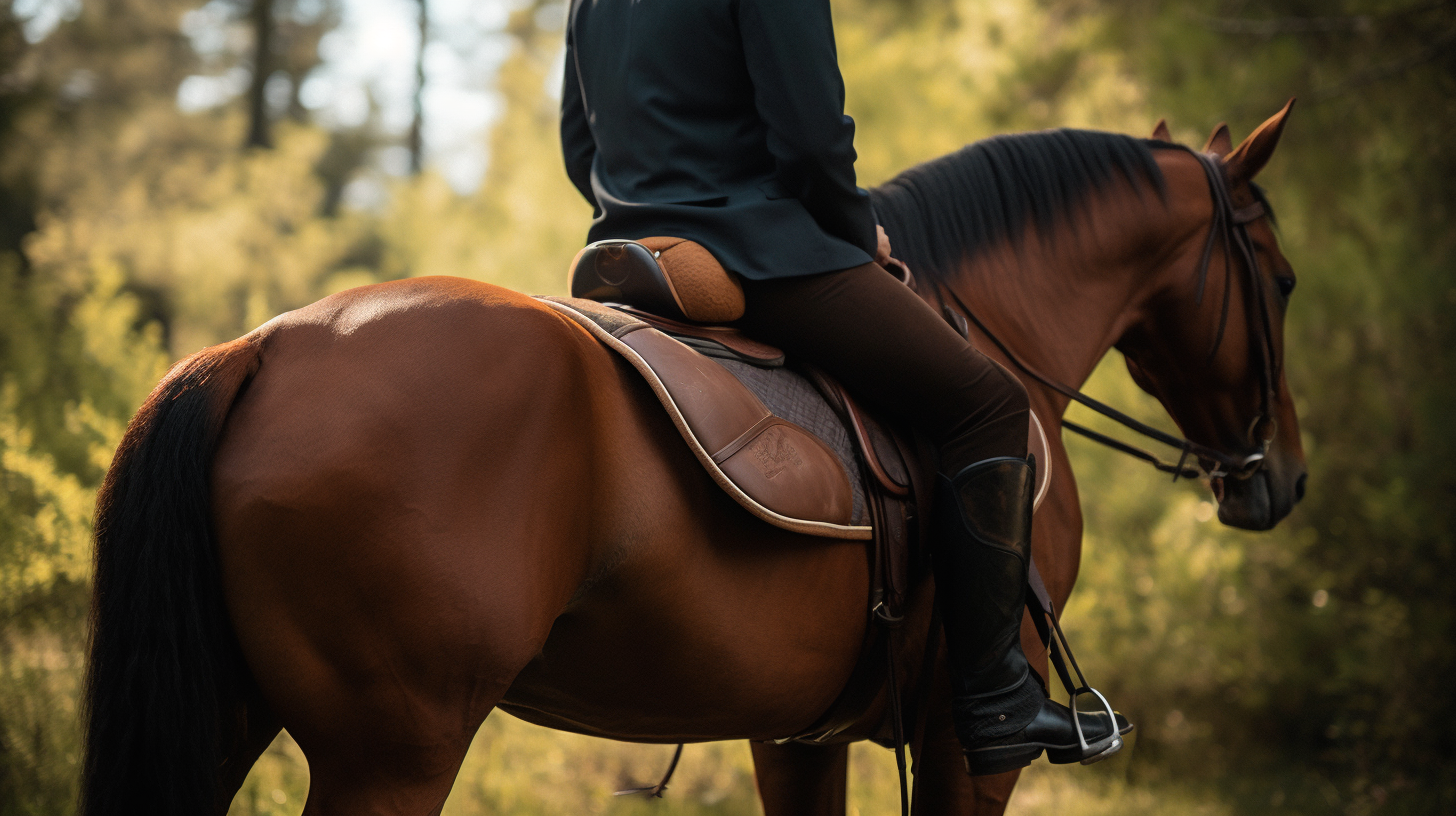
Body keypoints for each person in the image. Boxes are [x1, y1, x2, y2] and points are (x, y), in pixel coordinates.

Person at [560, 0, 1126, 775]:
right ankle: (999, 696)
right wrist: (859, 235)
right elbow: (809, 136)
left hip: (630, 256)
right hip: (754, 253)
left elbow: (578, 143)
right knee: (989, 407)